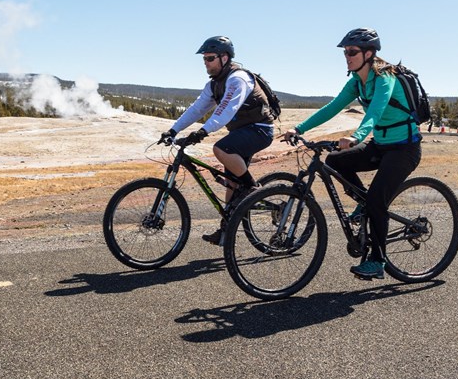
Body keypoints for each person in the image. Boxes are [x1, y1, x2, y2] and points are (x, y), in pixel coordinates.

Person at [283, 28, 422, 279]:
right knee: (335, 160)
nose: (347, 56)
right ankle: (363, 204)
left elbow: (376, 111)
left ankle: (378, 261)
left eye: (352, 52)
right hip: (381, 145)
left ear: (369, 53)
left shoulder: (384, 77)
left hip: (404, 148)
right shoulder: (357, 81)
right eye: (345, 52)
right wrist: (299, 128)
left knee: (377, 201)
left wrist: (357, 136)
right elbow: (333, 106)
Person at [160, 36, 275, 244]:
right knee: (231, 183)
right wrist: (173, 130)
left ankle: (252, 189)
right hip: (241, 133)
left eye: (210, 58)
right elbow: (197, 109)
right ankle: (225, 232)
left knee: (221, 149)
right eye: (204, 59)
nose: (206, 62)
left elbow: (226, 109)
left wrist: (203, 132)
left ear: (225, 58)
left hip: (260, 130)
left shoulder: (237, 79)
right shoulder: (214, 85)